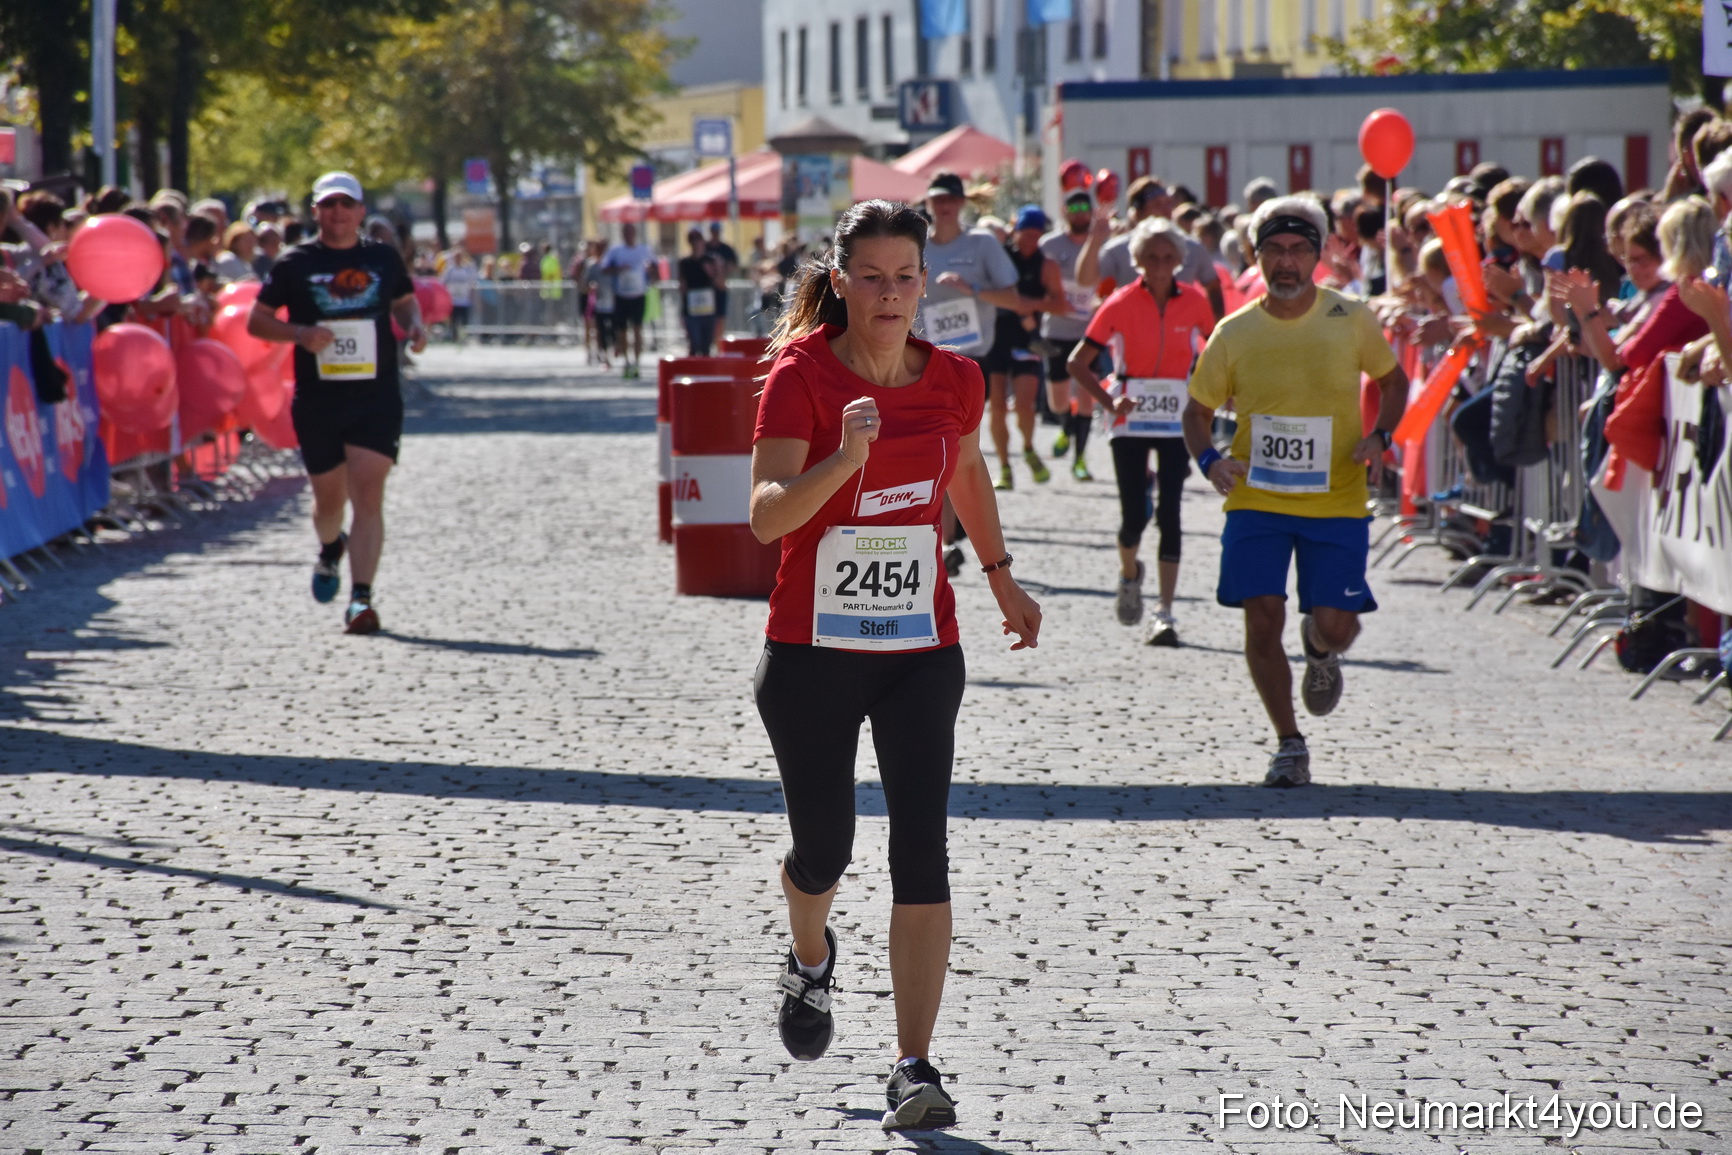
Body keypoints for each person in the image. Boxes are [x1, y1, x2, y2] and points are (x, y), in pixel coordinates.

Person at [749, 199, 1041, 1132]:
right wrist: (845, 457)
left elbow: (966, 475)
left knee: (922, 848)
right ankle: (809, 956)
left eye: (903, 277)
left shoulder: (955, 377)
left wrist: (1000, 579)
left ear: (926, 280)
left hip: (920, 649)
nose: (887, 295)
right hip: (811, 651)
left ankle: (914, 1063)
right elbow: (766, 516)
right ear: (839, 280)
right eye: (869, 277)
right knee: (824, 847)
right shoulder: (800, 375)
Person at [1181, 196, 1408, 787]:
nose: (1287, 262)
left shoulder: (1352, 317)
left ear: (1319, 254)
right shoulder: (1235, 332)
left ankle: (1320, 646)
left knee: (1337, 624)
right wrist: (1210, 460)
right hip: (1258, 498)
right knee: (1261, 616)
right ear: (1256, 258)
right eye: (1275, 251)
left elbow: (1393, 379)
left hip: (1336, 498)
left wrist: (1380, 435)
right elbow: (1196, 411)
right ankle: (1289, 742)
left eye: (1299, 250)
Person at [247, 171, 427, 635]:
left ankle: (361, 599)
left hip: (376, 396)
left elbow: (405, 301)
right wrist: (300, 334)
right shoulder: (295, 264)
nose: (339, 213)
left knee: (369, 496)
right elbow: (256, 322)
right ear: (316, 212)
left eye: (347, 204)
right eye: (329, 205)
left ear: (361, 211)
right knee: (329, 506)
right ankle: (330, 549)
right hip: (319, 400)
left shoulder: (383, 258)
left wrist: (416, 325)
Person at [1066, 217, 1216, 645]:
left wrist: (1207, 395)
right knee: (1134, 515)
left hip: (1175, 418)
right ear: (1137, 261)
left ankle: (1165, 613)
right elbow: (1077, 362)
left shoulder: (1196, 302)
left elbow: (1216, 352)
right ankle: (1130, 573)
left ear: (1181, 261)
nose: (1160, 265)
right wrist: (1110, 400)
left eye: (1169, 258)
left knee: (1170, 512)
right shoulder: (1118, 302)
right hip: (1128, 416)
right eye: (1151, 257)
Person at [979, 205, 1063, 489]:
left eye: (1035, 236)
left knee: (1025, 404)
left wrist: (1032, 305)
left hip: (1028, 340)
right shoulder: (1001, 257)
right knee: (998, 406)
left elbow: (1060, 304)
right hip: (997, 339)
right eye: (1025, 234)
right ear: (1015, 231)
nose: (1029, 241)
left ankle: (1027, 446)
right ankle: (1004, 466)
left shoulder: (1046, 264)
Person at [1042, 188, 1105, 479]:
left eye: (1085, 207)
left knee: (1087, 395)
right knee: (1057, 401)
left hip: (1090, 332)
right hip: (1057, 329)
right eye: (1074, 207)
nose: (1080, 212)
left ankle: (1080, 459)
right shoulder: (1050, 245)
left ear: (1091, 211)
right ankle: (1066, 428)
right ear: (1065, 211)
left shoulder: (1102, 243)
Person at [600, 222, 656, 377]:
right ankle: (626, 362)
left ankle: (637, 363)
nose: (629, 235)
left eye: (631, 232)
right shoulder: (615, 251)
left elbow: (655, 269)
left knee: (638, 329)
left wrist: (651, 273)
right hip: (621, 295)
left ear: (635, 233)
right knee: (622, 331)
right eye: (626, 232)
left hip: (638, 295)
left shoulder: (644, 250)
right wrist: (619, 269)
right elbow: (604, 268)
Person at [678, 227, 723, 355]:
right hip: (692, 309)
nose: (696, 243)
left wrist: (712, 272)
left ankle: (705, 372)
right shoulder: (685, 262)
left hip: (708, 309)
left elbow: (721, 285)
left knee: (706, 346)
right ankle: (692, 372)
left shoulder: (711, 260)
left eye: (698, 240)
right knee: (694, 343)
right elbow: (682, 286)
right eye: (693, 240)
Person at [442, 250, 479, 340]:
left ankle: (463, 337)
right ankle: (453, 336)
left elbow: (473, 281)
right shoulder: (449, 270)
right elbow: (443, 282)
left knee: (464, 320)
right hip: (453, 300)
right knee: (453, 320)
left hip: (464, 300)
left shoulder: (466, 269)